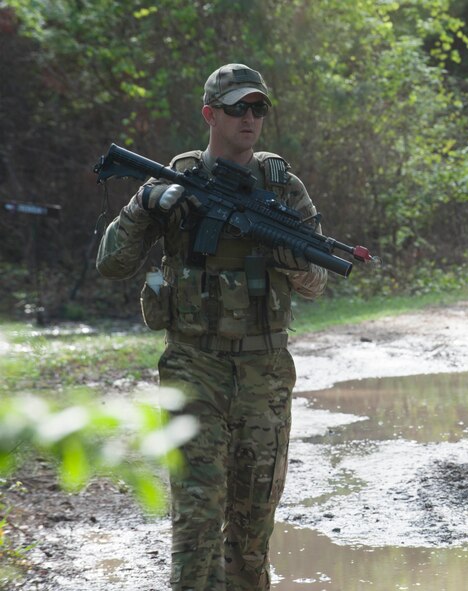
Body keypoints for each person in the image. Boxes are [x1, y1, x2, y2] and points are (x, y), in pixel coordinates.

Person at [96, 63, 327, 590]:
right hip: (193, 364)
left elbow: (316, 283)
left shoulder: (282, 187)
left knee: (251, 531)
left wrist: (287, 253)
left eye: (258, 109)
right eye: (237, 108)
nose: (249, 118)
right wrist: (141, 206)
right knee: (196, 523)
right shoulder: (178, 181)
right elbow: (110, 263)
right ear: (210, 114)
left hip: (265, 371)